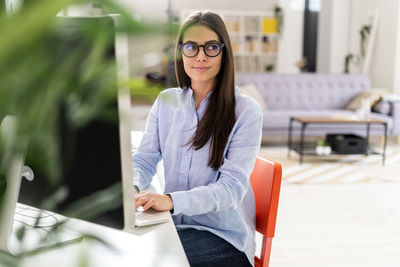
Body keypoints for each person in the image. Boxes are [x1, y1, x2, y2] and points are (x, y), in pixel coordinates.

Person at [133, 10, 262, 267]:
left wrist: (170, 201)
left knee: (146, 261)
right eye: (191, 47)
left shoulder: (246, 111)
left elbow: (231, 191)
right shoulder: (166, 101)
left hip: (223, 240)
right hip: (175, 227)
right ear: (181, 52)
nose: (200, 56)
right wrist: (131, 189)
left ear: (224, 53)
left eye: (211, 47)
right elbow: (145, 160)